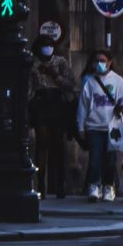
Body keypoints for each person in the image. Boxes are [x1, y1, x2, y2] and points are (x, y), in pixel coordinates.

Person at [75, 49, 123, 201]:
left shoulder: (117, 81)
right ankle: (94, 185)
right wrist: (80, 126)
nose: (99, 64)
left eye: (103, 60)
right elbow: (83, 105)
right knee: (95, 158)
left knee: (110, 159)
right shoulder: (90, 82)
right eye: (97, 61)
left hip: (111, 126)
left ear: (109, 62)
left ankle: (108, 185)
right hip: (94, 126)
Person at [31, 33, 78, 196]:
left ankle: (60, 183)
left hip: (57, 101)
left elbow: (71, 84)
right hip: (40, 102)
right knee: (42, 141)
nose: (47, 48)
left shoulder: (60, 62)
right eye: (44, 45)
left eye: (49, 45)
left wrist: (54, 75)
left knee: (58, 143)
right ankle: (41, 184)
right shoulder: (33, 62)